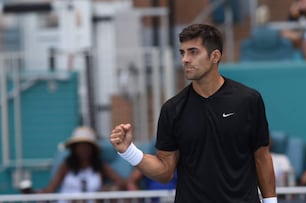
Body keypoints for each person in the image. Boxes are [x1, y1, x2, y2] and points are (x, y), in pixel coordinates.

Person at [110, 24, 277, 203]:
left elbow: (262, 157)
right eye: (182, 53)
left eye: (193, 52)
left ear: (215, 56)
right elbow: (165, 171)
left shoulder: (248, 100)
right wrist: (128, 151)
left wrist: (271, 202)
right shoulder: (172, 109)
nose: (185, 59)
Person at [39, 126, 127, 202]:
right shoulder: (66, 165)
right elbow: (51, 188)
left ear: (92, 148)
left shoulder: (100, 165)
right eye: (80, 146)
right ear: (74, 148)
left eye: (86, 146)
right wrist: (38, 193)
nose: (83, 149)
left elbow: (121, 182)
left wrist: (108, 189)